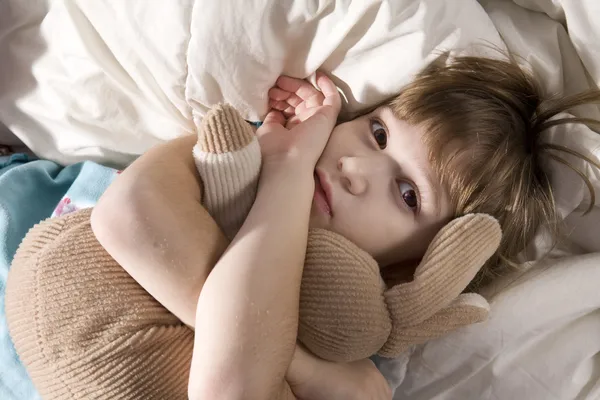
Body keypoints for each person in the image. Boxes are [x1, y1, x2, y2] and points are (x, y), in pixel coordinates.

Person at [90, 53, 600, 399]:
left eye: (407, 194)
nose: (355, 170)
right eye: (377, 133)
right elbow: (125, 214)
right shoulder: (243, 157)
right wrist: (287, 173)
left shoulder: (364, 353)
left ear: (416, 266)